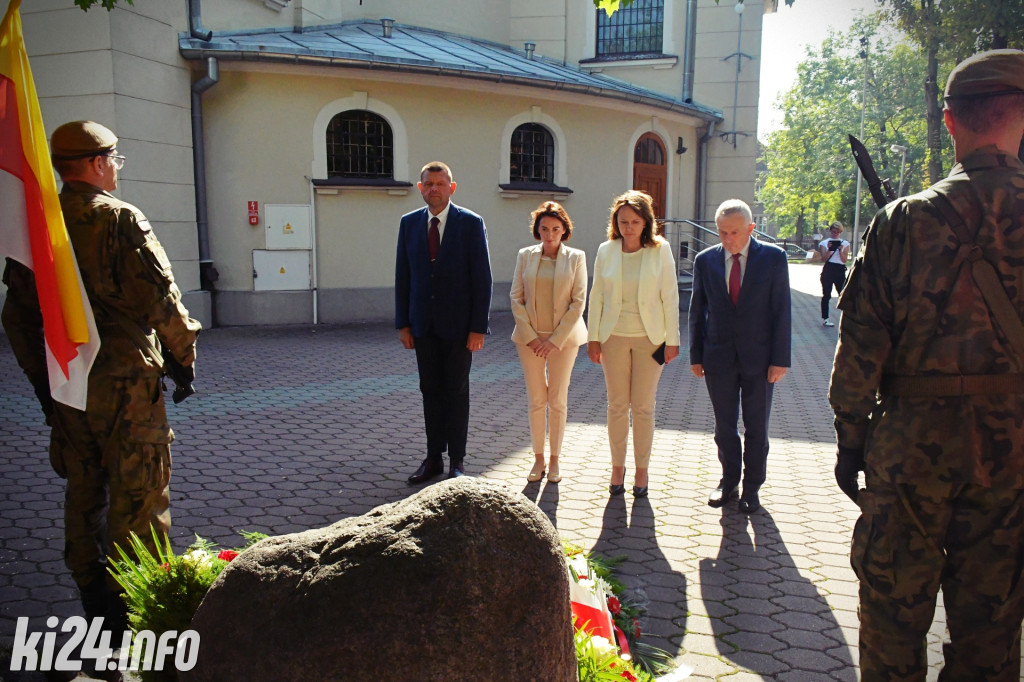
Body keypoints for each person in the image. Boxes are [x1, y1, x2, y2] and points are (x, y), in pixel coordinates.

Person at [829, 49, 1024, 680]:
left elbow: (859, 351)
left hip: (910, 453)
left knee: (891, 625)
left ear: (950, 122)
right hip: (1014, 459)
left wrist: (851, 440)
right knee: (991, 635)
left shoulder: (902, 223)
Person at [2, 121, 201, 677]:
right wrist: (184, 361)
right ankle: (136, 635)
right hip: (125, 387)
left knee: (84, 492)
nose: (117, 167)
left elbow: (16, 316)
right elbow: (163, 303)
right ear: (93, 163)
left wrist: (44, 386)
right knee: (138, 501)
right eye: (114, 157)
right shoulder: (118, 218)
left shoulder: (34, 227)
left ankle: (96, 617)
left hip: (68, 384)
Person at [689, 199, 791, 514]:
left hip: (760, 360)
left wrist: (780, 359)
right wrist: (696, 355)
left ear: (750, 228)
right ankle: (729, 481)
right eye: (722, 233)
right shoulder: (706, 261)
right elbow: (697, 311)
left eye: (734, 232)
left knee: (756, 427)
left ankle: (752, 487)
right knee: (724, 425)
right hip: (718, 357)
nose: (728, 239)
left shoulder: (773, 258)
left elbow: (781, 309)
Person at [396, 161, 493, 483]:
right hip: (423, 326)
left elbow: (482, 279)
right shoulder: (409, 224)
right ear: (420, 187)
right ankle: (433, 458)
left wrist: (478, 327)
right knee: (430, 391)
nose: (433, 189)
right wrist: (403, 324)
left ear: (451, 187)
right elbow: (403, 276)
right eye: (428, 184)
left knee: (456, 391)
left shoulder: (470, 223)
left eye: (440, 183)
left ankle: (458, 462)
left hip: (459, 328)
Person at [587, 190, 679, 497]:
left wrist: (673, 340)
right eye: (623, 221)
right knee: (616, 406)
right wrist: (593, 337)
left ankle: (642, 470)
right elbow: (597, 295)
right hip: (612, 338)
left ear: (646, 222)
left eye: (635, 222)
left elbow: (670, 296)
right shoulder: (605, 250)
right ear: (615, 221)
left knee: (642, 407)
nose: (628, 227)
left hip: (651, 340)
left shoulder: (660, 249)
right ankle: (617, 468)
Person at [510, 201, 588, 484]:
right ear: (537, 229)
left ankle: (555, 459)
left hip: (563, 341)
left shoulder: (576, 257)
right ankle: (538, 458)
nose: (550, 234)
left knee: (556, 400)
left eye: (556, 228)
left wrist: (554, 341)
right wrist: (532, 338)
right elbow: (516, 298)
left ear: (565, 229)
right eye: (544, 228)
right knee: (536, 400)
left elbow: (578, 302)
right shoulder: (525, 256)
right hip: (529, 340)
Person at [818, 220, 850, 327]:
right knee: (826, 294)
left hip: (840, 269)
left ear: (840, 232)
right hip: (829, 269)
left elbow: (845, 260)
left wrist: (840, 250)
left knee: (842, 293)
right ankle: (825, 318)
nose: (835, 234)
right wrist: (830, 249)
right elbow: (824, 259)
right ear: (830, 231)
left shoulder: (845, 243)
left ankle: (847, 317)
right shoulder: (824, 243)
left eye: (837, 232)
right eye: (833, 231)